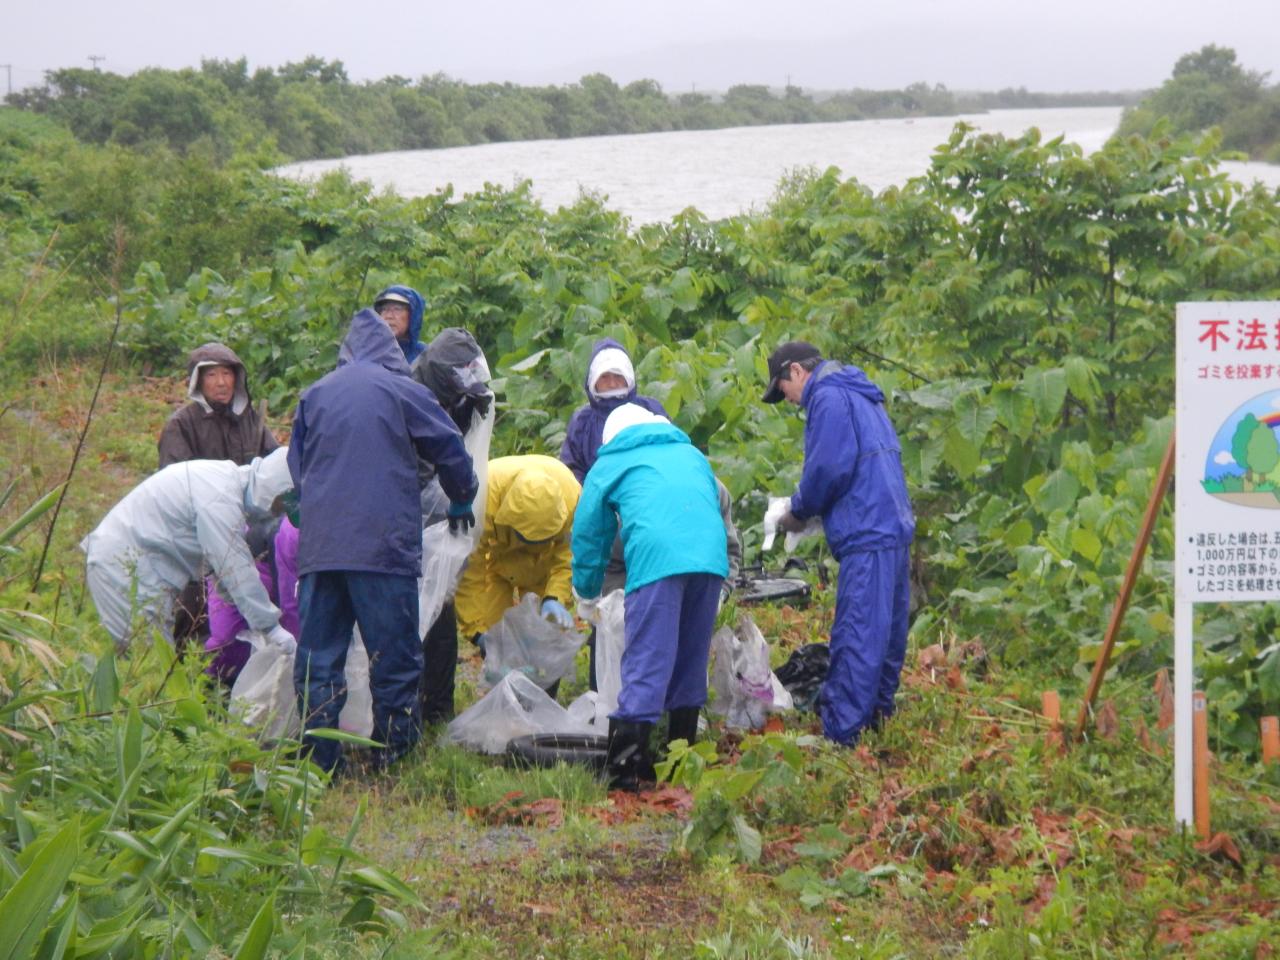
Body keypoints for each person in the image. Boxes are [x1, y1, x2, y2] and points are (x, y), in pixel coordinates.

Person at [287, 308, 477, 774]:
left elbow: (297, 466)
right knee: (392, 654)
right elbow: (450, 447)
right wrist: (461, 496)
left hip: (322, 549)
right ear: (389, 352)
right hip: (382, 548)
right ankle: (393, 757)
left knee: (319, 658)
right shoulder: (402, 390)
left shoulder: (315, 395)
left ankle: (319, 762)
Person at [762, 340, 914, 746]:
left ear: (796, 371)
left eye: (783, 390)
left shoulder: (826, 398)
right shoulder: (860, 392)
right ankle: (879, 723)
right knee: (887, 634)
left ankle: (841, 738)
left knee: (858, 634)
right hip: (893, 524)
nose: (791, 401)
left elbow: (828, 468)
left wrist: (797, 511)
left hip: (868, 531)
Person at [572, 404, 728, 791]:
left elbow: (590, 535)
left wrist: (587, 594)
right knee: (690, 659)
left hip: (658, 560)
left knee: (647, 660)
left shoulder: (611, 463)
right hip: (711, 558)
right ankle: (681, 763)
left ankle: (628, 772)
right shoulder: (690, 453)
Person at [80, 449, 297, 656]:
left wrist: (247, 615)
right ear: (275, 487)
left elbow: (224, 575)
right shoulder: (220, 497)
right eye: (280, 502)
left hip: (134, 567)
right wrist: (270, 627)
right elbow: (234, 566)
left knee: (145, 665)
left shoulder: (225, 482)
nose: (278, 511)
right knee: (149, 666)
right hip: (126, 568)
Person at [157, 342, 279, 647]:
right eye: (212, 375)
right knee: (195, 604)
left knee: (245, 598)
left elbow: (276, 467)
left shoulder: (251, 420)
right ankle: (189, 675)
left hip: (248, 531)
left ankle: (234, 672)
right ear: (198, 381)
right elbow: (175, 484)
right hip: (199, 531)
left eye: (227, 374)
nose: (222, 382)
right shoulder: (181, 425)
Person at [410, 327, 495, 723]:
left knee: (440, 610)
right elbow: (417, 464)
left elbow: (466, 451)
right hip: (404, 521)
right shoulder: (412, 393)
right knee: (407, 616)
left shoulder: (463, 396)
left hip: (443, 518)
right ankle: (403, 710)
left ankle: (437, 710)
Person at [453, 456, 580, 642]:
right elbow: (470, 569)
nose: (533, 545)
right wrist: (476, 631)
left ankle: (538, 664)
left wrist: (555, 597)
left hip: (544, 565)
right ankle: (500, 665)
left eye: (542, 539)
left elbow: (571, 556)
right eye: (529, 539)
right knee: (495, 633)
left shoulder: (572, 498)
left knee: (543, 634)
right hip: (496, 561)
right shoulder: (483, 498)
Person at [204, 516, 299, 686]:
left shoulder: (292, 535)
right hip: (238, 566)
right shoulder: (286, 534)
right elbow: (288, 601)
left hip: (270, 569)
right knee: (225, 635)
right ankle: (210, 686)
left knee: (283, 636)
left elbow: (290, 601)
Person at [560, 338, 667, 483]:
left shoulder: (650, 410)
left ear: (628, 377)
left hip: (646, 491)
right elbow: (571, 469)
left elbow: (670, 454)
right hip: (596, 497)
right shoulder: (582, 421)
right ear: (593, 380)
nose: (612, 384)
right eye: (604, 377)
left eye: (618, 376)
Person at [373, 285, 427, 365]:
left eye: (397, 309)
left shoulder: (425, 356)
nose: (389, 316)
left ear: (412, 316)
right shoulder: (365, 353)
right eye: (384, 309)